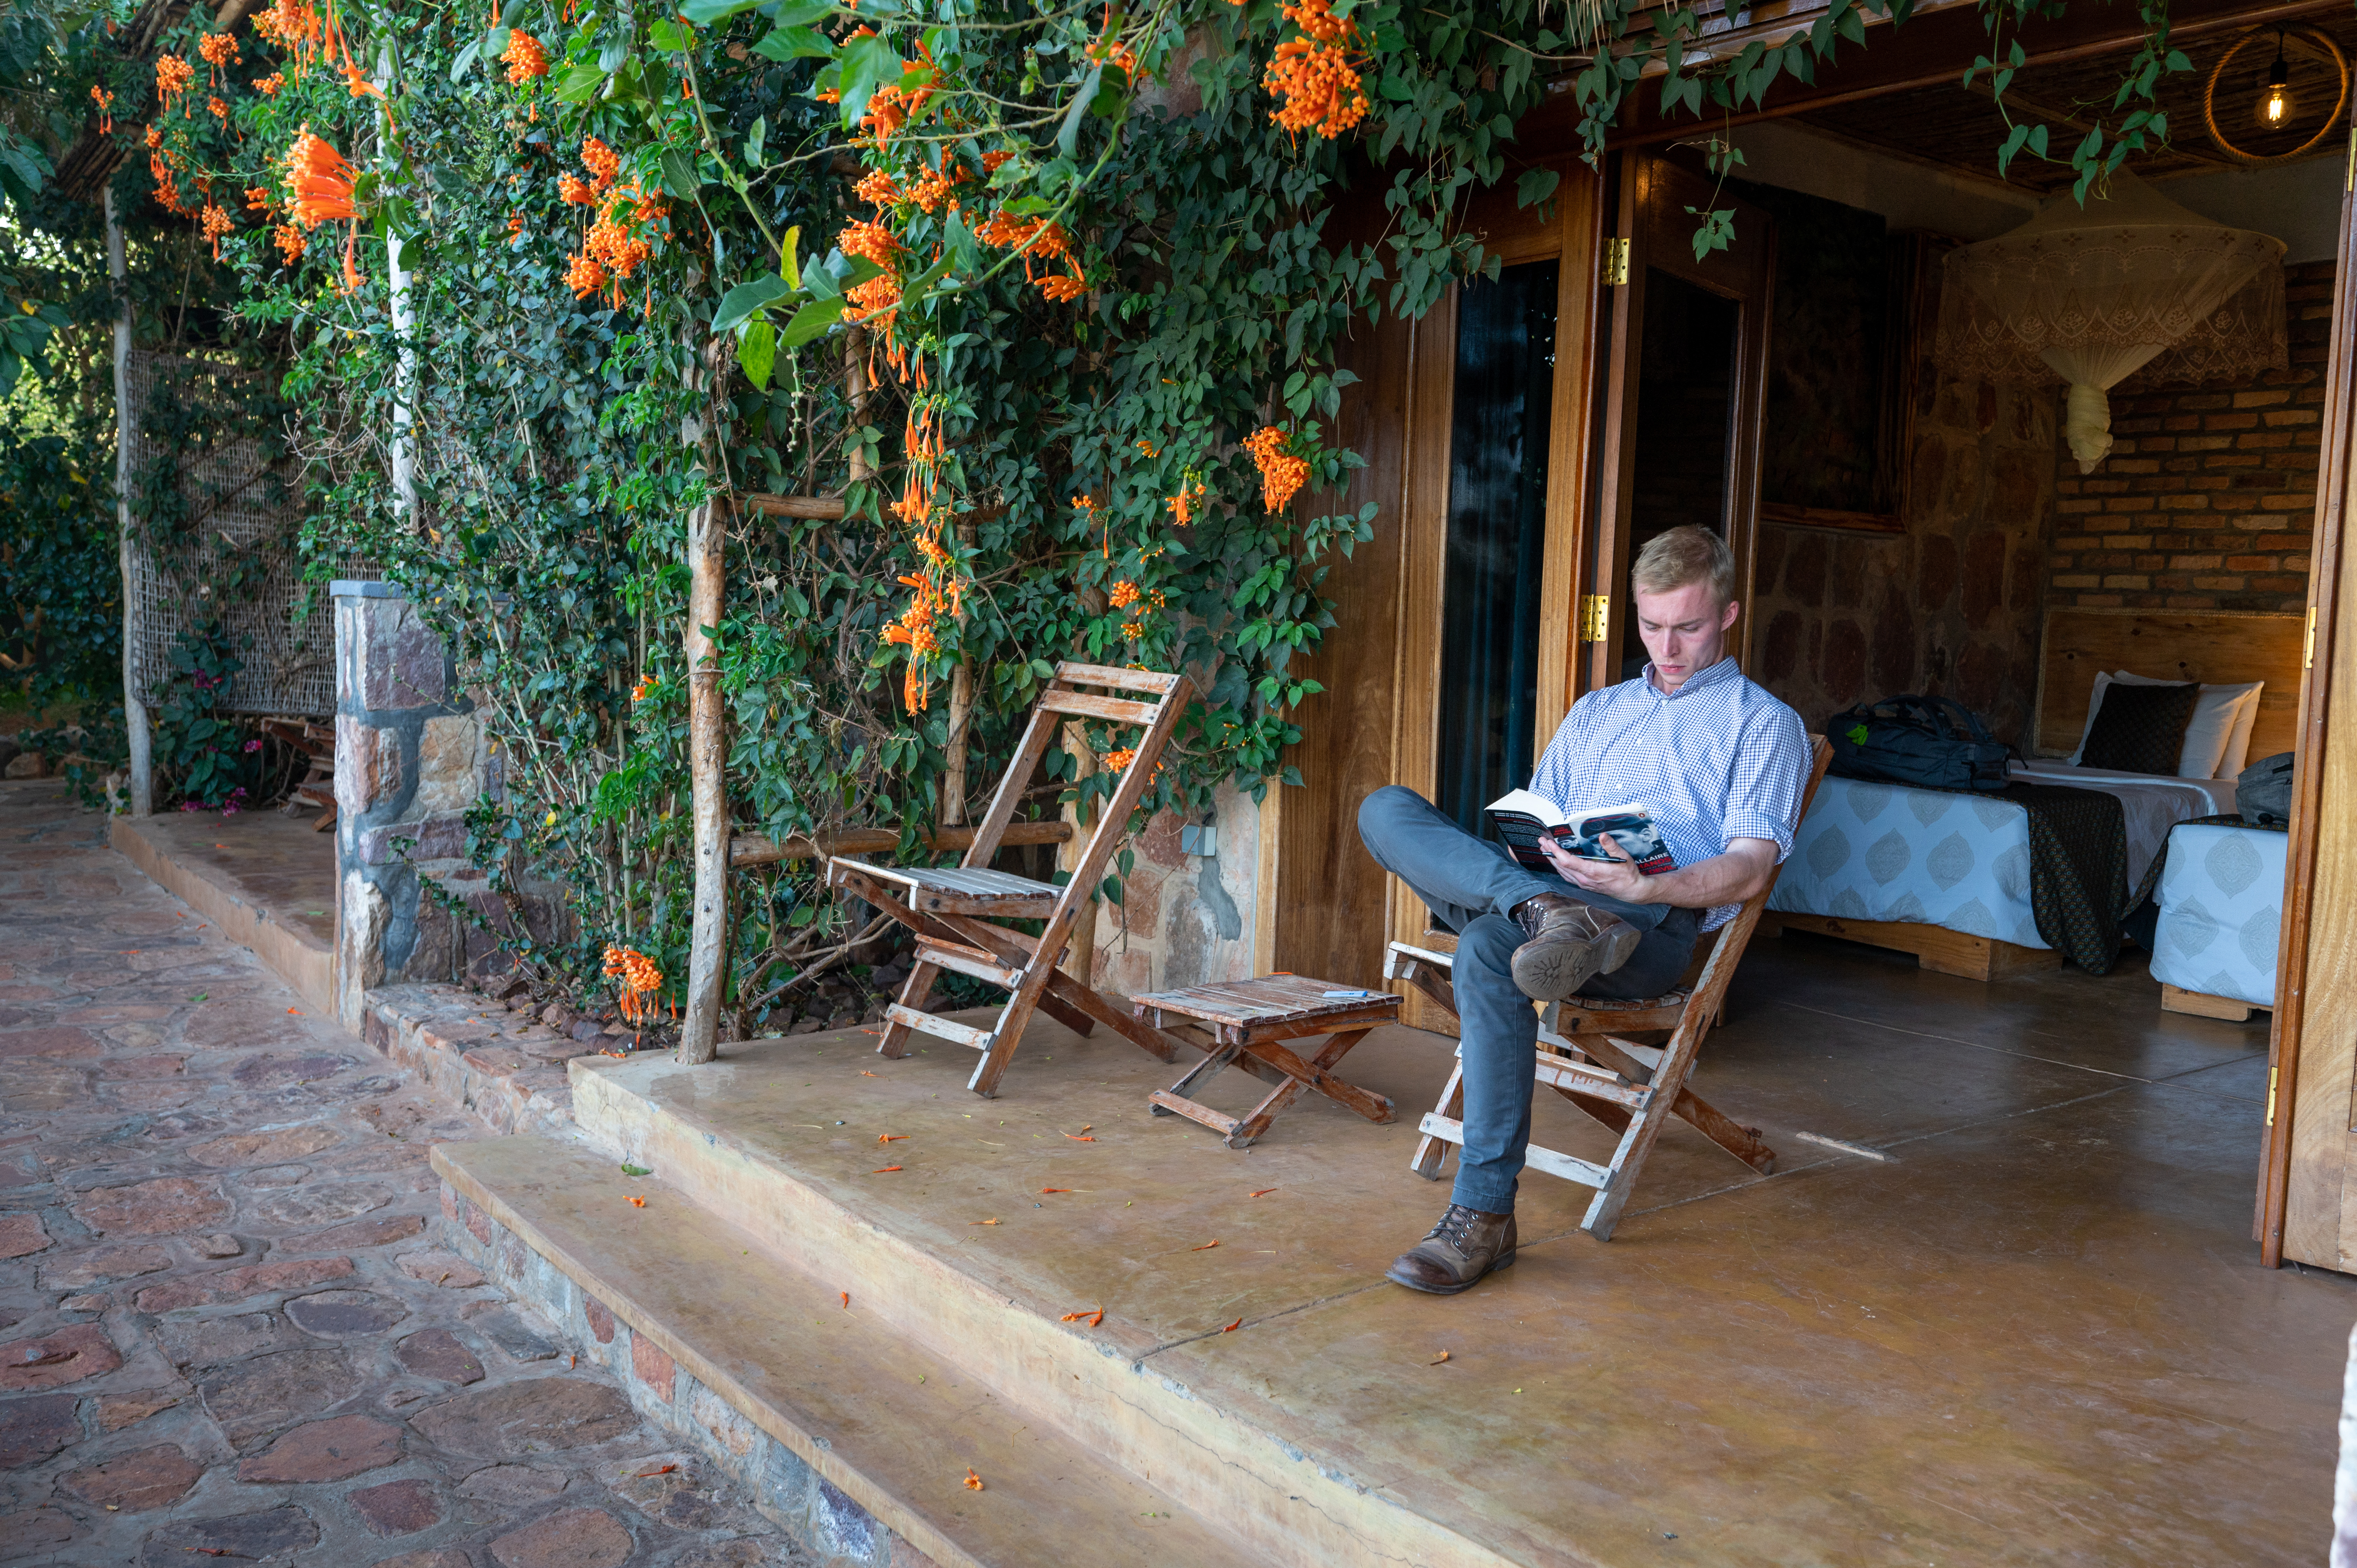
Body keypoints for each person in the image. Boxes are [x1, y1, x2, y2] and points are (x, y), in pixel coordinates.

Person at [1355, 524, 1809, 1295]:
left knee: (1484, 953)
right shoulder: (1598, 711)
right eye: (1653, 624)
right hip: (1553, 904)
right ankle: (1540, 907)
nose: (1668, 646)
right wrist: (1539, 862)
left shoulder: (1762, 724)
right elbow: (1539, 811)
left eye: (1689, 627)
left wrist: (1646, 887)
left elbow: (1749, 867)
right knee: (1384, 808)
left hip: (1644, 928)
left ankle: (1484, 1216)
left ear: (1729, 615)